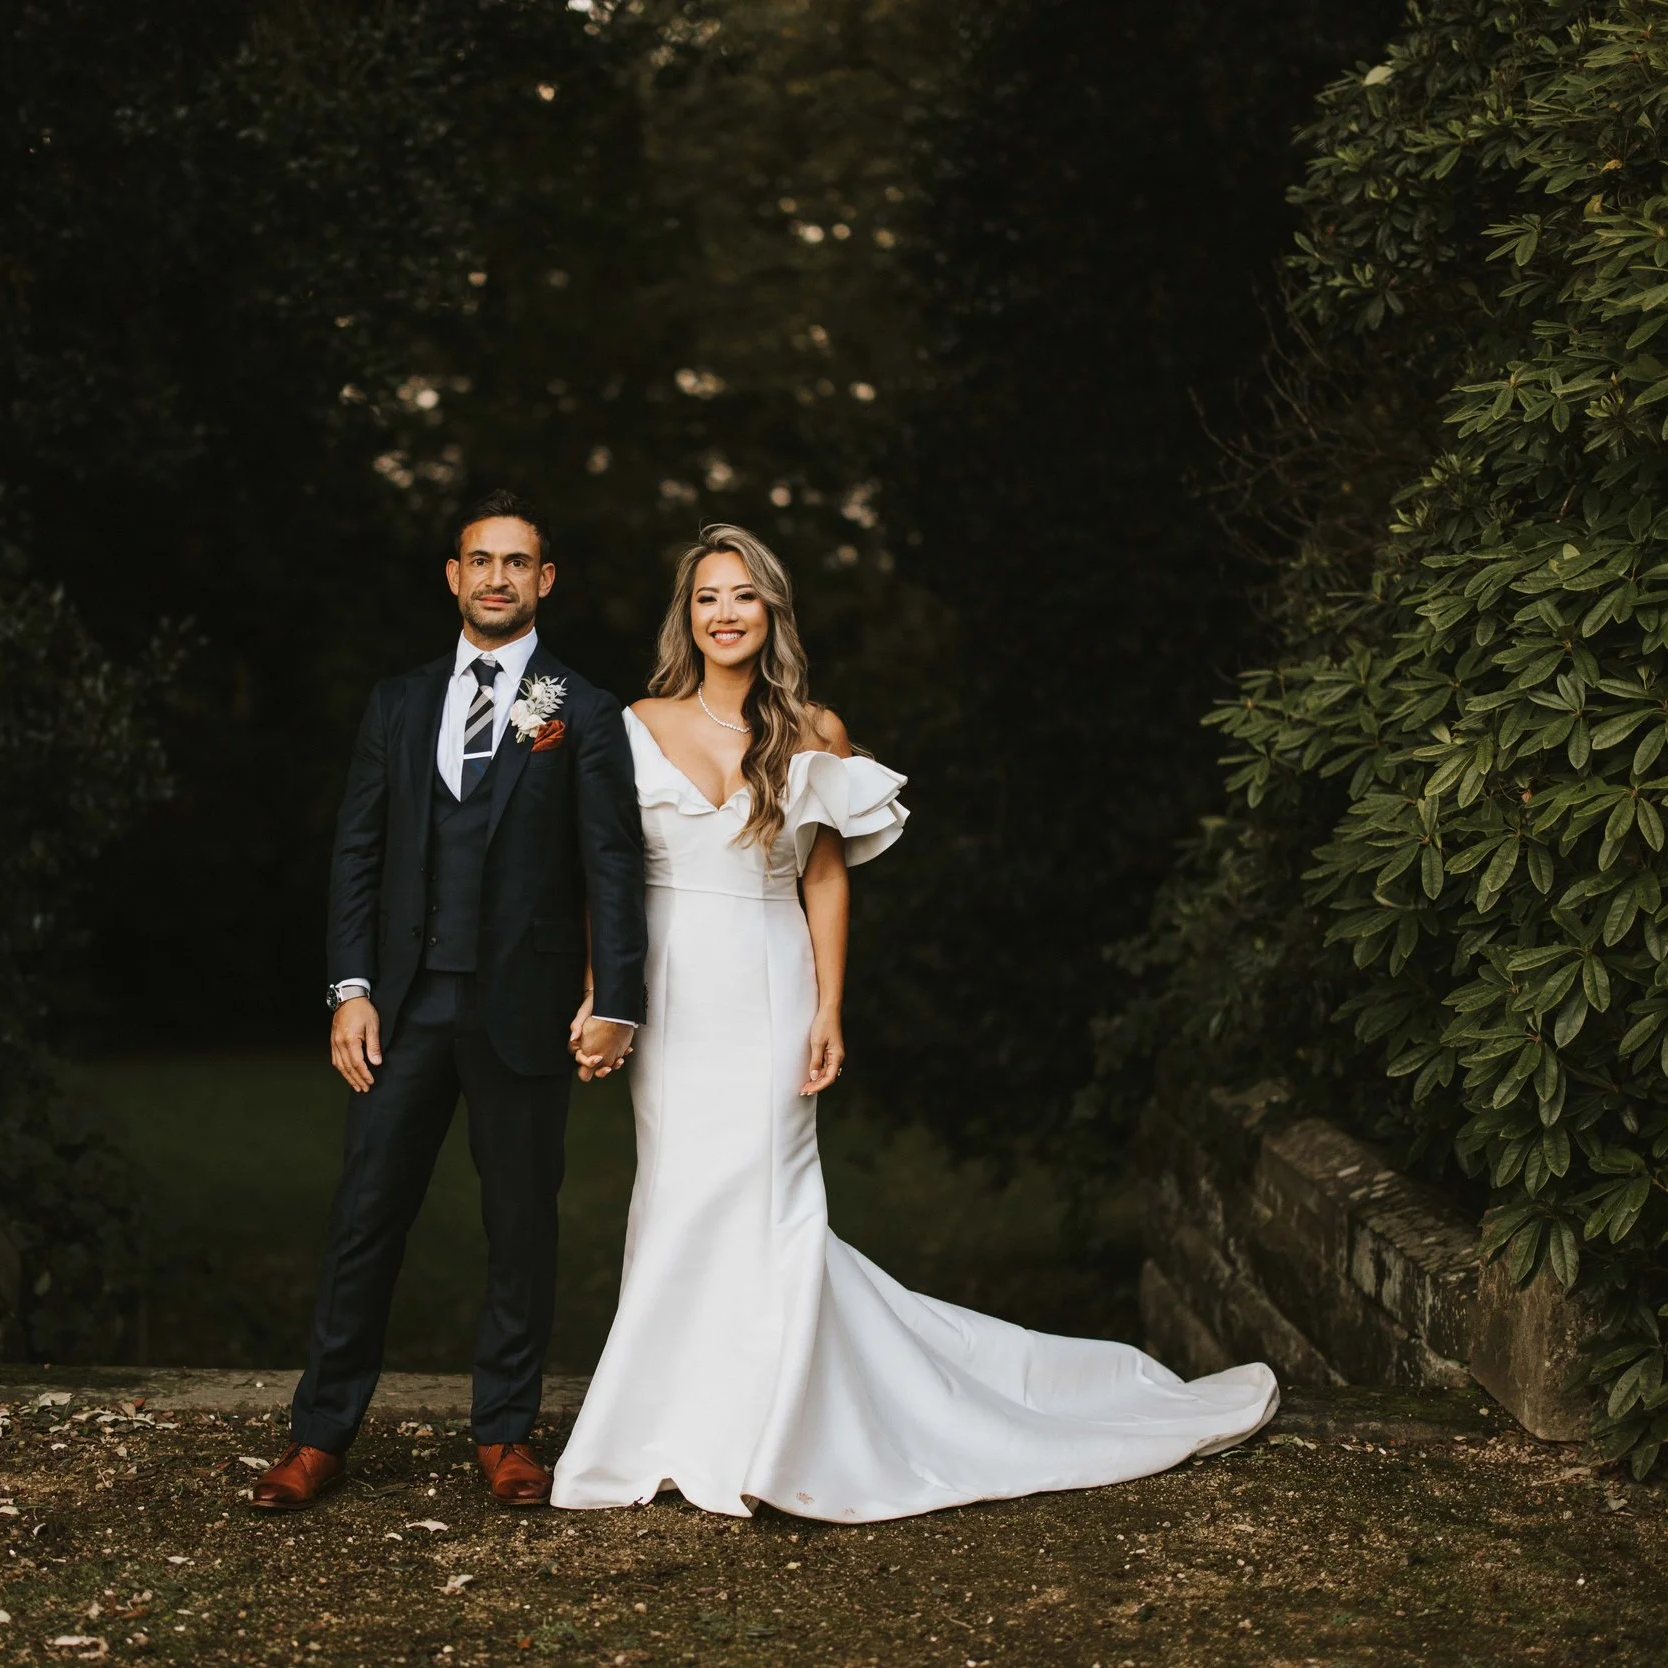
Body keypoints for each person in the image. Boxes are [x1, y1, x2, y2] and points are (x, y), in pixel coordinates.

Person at [548, 524, 1278, 1521]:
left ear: (771, 615)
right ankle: (673, 1430)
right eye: (707, 596)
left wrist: (831, 1009)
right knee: (678, 1196)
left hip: (770, 983)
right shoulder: (634, 725)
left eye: (743, 596)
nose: (723, 612)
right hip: (672, 992)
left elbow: (824, 879)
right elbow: (609, 880)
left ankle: (773, 1434)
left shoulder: (814, 731)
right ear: (688, 615)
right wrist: (605, 993)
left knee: (770, 1201)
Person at [253, 491, 648, 1512]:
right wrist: (349, 988)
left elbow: (613, 864)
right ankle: (320, 1435)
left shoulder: (584, 709)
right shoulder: (396, 702)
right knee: (364, 1216)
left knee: (519, 1225)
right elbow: (359, 853)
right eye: (480, 560)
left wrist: (620, 998)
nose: (496, 579)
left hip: (525, 1005)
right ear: (452, 574)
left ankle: (506, 1433)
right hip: (403, 1005)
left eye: (517, 563)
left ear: (544, 580)